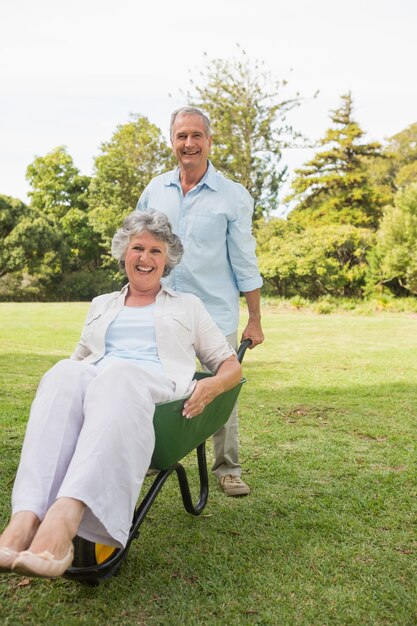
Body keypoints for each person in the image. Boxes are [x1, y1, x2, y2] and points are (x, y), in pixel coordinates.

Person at [0, 210, 242, 579]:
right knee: (63, 372)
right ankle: (25, 518)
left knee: (119, 374)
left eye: (156, 251)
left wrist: (210, 385)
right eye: (138, 248)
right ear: (123, 254)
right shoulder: (102, 304)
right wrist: (63, 382)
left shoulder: (187, 306)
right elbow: (81, 357)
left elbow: (230, 365)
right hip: (104, 388)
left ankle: (65, 520)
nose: (145, 258)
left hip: (159, 395)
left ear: (168, 259)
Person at [136, 106, 264, 497]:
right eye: (181, 136)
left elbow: (244, 260)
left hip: (214, 312)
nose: (188, 143)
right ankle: (142, 452)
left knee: (221, 387)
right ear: (172, 141)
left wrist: (255, 318)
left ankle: (228, 469)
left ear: (209, 141)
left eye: (196, 136)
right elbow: (139, 250)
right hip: (163, 309)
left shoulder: (233, 196)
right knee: (151, 383)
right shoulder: (155, 191)